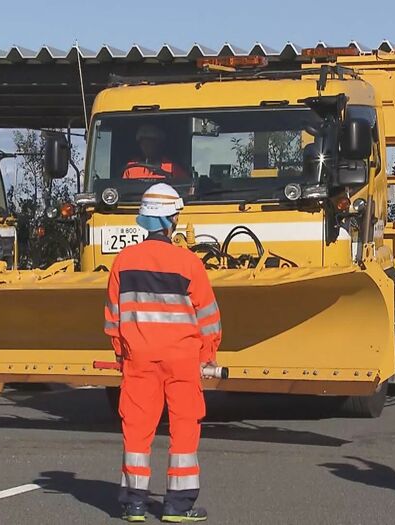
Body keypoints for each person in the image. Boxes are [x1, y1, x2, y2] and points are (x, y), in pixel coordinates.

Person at [104, 183, 222, 523]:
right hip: (183, 361)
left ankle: (134, 504)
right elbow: (209, 318)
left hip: (139, 359)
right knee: (184, 428)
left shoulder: (123, 263)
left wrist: (121, 353)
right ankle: (177, 507)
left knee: (137, 428)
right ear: (171, 220)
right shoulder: (189, 264)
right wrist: (207, 355)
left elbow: (113, 318)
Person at [122, 124, 190, 180]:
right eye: (143, 143)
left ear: (159, 144)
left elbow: (185, 187)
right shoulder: (131, 167)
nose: (146, 147)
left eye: (150, 143)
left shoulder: (171, 167)